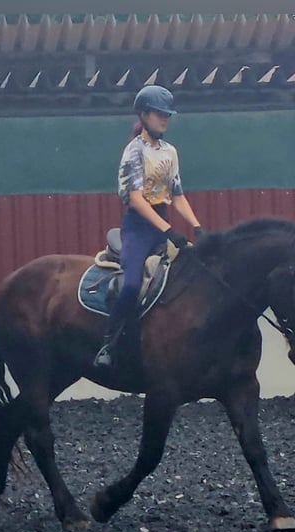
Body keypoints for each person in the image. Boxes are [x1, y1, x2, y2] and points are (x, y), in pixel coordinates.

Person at [93, 84, 204, 369]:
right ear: (143, 115)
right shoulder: (134, 151)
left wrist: (197, 226)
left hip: (163, 223)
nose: (164, 119)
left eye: (167, 114)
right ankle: (109, 343)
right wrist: (168, 231)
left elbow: (177, 196)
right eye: (158, 114)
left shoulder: (170, 152)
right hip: (138, 228)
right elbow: (136, 200)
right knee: (131, 285)